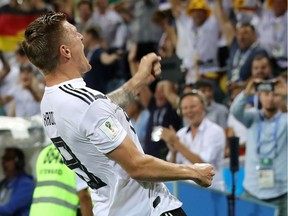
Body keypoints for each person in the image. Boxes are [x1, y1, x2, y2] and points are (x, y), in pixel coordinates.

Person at [22, 12, 214, 216]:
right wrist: (193, 172)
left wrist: (139, 81)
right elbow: (137, 166)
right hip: (148, 210)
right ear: (65, 51)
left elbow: (99, 109)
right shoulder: (85, 105)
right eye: (74, 33)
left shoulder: (51, 102)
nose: (81, 37)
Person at [230, 78, 287, 216]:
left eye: (275, 95)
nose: (270, 98)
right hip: (253, 189)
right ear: (259, 96)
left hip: (282, 192)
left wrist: (286, 95)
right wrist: (246, 92)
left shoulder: (285, 119)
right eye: (266, 94)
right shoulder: (252, 117)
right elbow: (235, 111)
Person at [160, 90, 226, 190]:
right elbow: (171, 166)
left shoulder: (215, 131)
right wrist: (173, 152)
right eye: (185, 108)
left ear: (203, 107)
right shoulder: (181, 133)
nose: (189, 111)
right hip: (185, 191)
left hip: (211, 191)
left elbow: (203, 164)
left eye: (192, 107)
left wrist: (177, 143)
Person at [30, 144, 93, 216]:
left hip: (36, 212)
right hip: (60, 213)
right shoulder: (75, 153)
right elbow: (84, 197)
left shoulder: (44, 152)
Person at [0, 147, 35, 216]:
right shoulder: (3, 184)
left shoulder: (26, 184)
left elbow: (8, 209)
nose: (4, 163)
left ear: (19, 163)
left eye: (8, 159)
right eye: (4, 159)